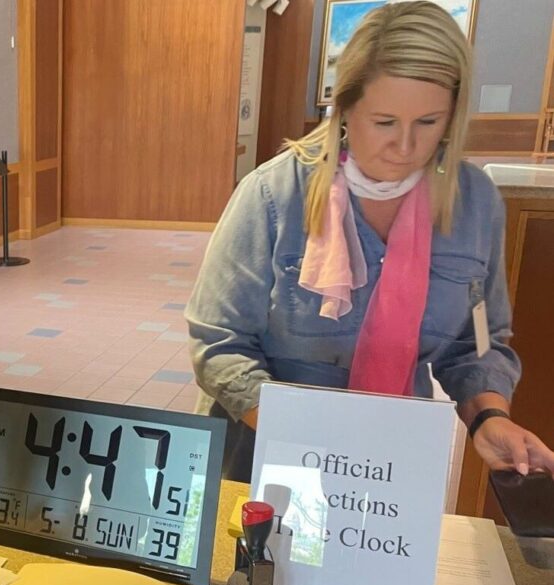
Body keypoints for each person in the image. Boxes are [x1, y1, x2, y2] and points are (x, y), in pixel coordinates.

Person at [186, 2, 554, 482]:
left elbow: (480, 340)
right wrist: (314, 444)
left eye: (428, 122)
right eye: (384, 122)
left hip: (389, 457)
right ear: (345, 109)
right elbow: (219, 343)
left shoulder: (475, 206)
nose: (405, 147)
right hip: (263, 449)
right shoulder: (274, 195)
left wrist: (489, 416)